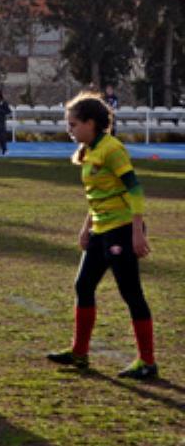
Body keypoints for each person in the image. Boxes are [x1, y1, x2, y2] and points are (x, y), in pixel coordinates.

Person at [48, 93, 157, 380]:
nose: (69, 129)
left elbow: (134, 190)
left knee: (131, 293)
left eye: (73, 124)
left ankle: (147, 362)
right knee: (83, 285)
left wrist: (137, 232)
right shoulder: (87, 151)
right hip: (100, 229)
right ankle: (79, 353)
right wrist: (87, 227)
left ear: (91, 123)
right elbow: (98, 195)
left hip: (121, 229)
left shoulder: (112, 149)